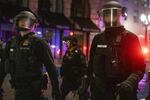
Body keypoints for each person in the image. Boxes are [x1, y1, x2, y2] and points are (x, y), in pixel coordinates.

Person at [87, 1, 146, 100]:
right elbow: (91, 66)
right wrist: (84, 85)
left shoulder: (131, 38)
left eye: (112, 14)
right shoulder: (97, 38)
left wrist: (129, 83)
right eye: (106, 14)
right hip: (99, 94)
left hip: (121, 94)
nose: (109, 17)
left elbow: (139, 67)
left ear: (120, 15)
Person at [4, 11, 60, 100]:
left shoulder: (39, 43)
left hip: (33, 91)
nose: (23, 23)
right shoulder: (11, 43)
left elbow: (51, 67)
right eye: (21, 20)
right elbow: (3, 65)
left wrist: (56, 88)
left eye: (26, 21)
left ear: (33, 24)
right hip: (17, 90)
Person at [60, 36, 88, 100]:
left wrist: (80, 79)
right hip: (66, 80)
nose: (66, 44)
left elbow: (84, 67)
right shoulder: (67, 52)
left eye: (67, 42)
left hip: (75, 81)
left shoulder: (79, 53)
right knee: (61, 96)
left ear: (72, 43)